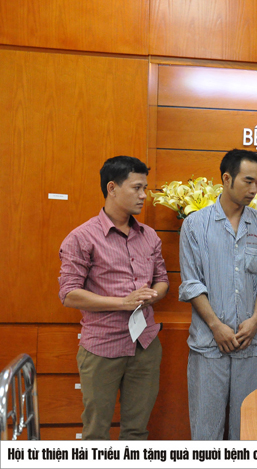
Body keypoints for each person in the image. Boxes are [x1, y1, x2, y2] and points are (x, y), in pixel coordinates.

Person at [58, 156, 169, 440]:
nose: (144, 196)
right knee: (96, 432)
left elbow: (162, 280)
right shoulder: (82, 237)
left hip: (145, 344)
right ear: (112, 188)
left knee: (137, 431)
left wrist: (152, 295)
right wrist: (123, 303)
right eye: (137, 188)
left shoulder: (149, 236)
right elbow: (69, 294)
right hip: (102, 347)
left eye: (145, 188)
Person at [179, 149, 257, 440]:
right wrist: (216, 326)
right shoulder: (195, 224)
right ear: (226, 178)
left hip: (251, 343)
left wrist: (256, 319)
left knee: (247, 430)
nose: (254, 189)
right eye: (248, 181)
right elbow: (191, 283)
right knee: (206, 430)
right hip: (209, 343)